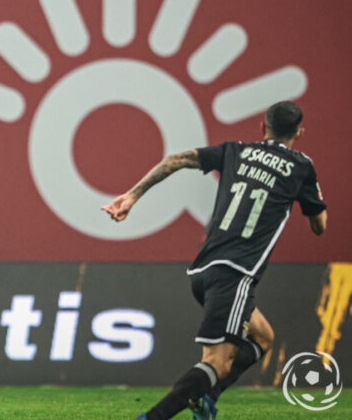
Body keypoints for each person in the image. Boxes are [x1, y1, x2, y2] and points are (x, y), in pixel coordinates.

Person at [102, 101, 327, 420]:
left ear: (263, 128)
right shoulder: (301, 166)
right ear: (299, 133)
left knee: (262, 336)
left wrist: (132, 196)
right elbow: (320, 226)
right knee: (216, 363)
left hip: (203, 270)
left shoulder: (235, 150)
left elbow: (175, 159)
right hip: (235, 275)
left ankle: (205, 398)